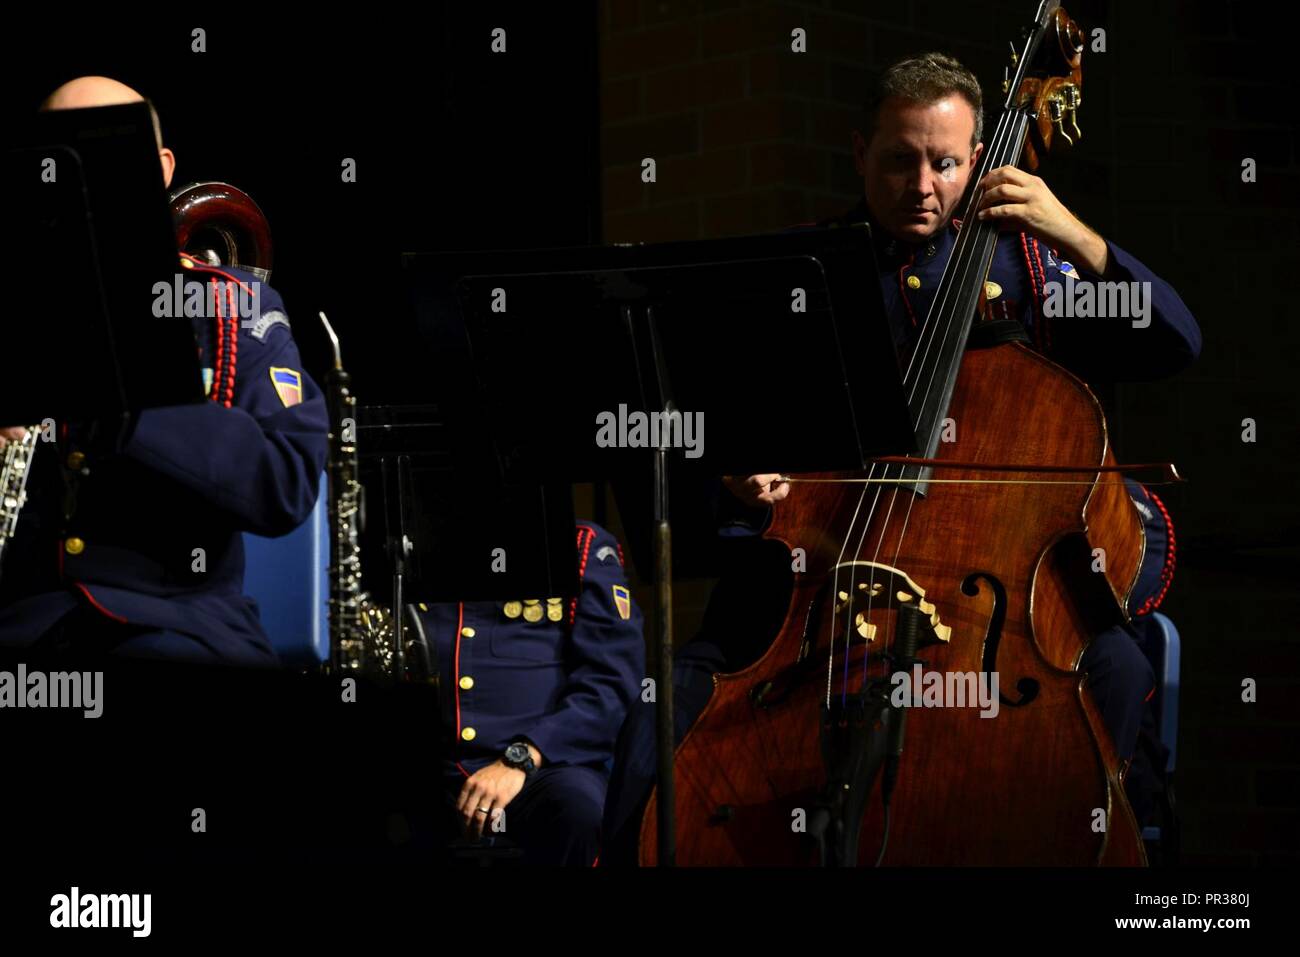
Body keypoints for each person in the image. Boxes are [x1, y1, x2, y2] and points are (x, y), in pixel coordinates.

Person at [602, 52, 1200, 863]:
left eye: (947, 163)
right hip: (815, 582)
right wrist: (738, 474)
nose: (923, 184)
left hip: (992, 601)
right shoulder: (798, 274)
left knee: (1117, 673)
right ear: (859, 152)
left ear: (978, 158)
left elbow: (1175, 340)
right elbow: (702, 428)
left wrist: (1075, 233)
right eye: (900, 159)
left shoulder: (1027, 268)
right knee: (659, 717)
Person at [0, 76, 328, 666]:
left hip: (178, 626)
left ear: (160, 169)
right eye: (60, 155)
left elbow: (285, 482)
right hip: (23, 621)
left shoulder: (232, 306)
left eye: (105, 149)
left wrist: (126, 401)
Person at [422, 521, 644, 866]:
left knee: (579, 810)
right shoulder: (409, 547)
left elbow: (611, 683)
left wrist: (520, 759)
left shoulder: (576, 547)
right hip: (428, 763)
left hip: (543, 765)